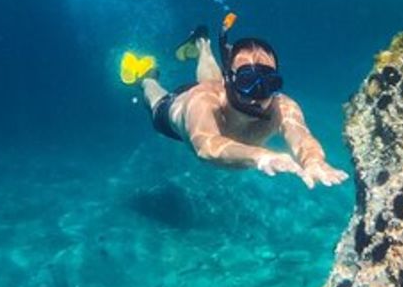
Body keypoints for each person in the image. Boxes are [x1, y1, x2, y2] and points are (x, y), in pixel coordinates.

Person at [120, 15, 349, 189]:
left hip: (220, 90)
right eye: (248, 81)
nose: (257, 95)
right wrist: (261, 156)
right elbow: (207, 147)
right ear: (231, 79)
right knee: (154, 97)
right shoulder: (202, 100)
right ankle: (147, 74)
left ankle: (202, 43)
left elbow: (302, 138)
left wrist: (314, 161)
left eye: (268, 83)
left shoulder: (282, 106)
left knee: (211, 80)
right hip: (176, 107)